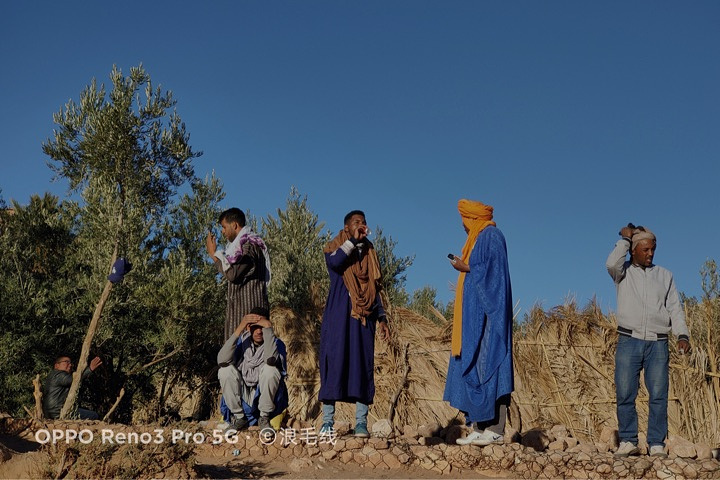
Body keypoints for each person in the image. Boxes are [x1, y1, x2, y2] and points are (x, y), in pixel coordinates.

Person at [606, 224, 690, 458]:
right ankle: (628, 441)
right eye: (645, 250)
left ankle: (656, 443)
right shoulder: (622, 272)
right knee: (625, 393)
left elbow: (675, 308)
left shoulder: (665, 275)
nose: (650, 253)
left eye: (653, 249)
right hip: (628, 339)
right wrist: (625, 239)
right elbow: (611, 263)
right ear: (633, 251)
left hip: (658, 342)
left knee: (659, 395)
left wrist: (682, 334)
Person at [444, 199, 514, 446]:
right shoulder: (475, 241)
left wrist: (467, 267)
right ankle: (478, 426)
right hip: (473, 319)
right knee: (473, 366)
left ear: (472, 219)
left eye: (464, 220)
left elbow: (496, 274)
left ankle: (495, 429)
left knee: (491, 365)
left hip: (489, 318)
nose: (463, 226)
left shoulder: (492, 236)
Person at [318, 210, 390, 437]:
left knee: (361, 365)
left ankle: (361, 423)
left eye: (364, 222)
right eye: (356, 222)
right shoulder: (335, 247)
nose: (362, 225)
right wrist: (351, 241)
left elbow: (374, 290)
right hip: (338, 318)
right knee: (333, 363)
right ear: (347, 227)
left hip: (363, 320)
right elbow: (336, 263)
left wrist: (382, 318)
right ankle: (327, 422)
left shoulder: (370, 254)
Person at [217, 307, 288, 432]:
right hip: (244, 392)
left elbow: (271, 360)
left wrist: (268, 328)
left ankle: (264, 418)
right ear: (249, 327)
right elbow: (222, 360)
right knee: (224, 371)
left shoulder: (276, 343)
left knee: (270, 370)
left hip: (264, 395)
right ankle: (239, 417)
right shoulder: (242, 341)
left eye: (262, 327)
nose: (259, 331)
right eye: (255, 327)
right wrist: (240, 327)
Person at [206, 207, 271, 341]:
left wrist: (214, 255)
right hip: (238, 316)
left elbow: (233, 274)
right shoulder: (241, 248)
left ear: (234, 225)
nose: (223, 231)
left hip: (251, 316)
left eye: (224, 227)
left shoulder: (250, 246)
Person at [42, 355, 102, 420]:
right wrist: (90, 369)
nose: (70, 365)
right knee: (94, 415)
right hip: (58, 412)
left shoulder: (53, 375)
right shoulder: (59, 375)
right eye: (66, 362)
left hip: (51, 412)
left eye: (70, 363)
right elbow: (74, 380)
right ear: (57, 365)